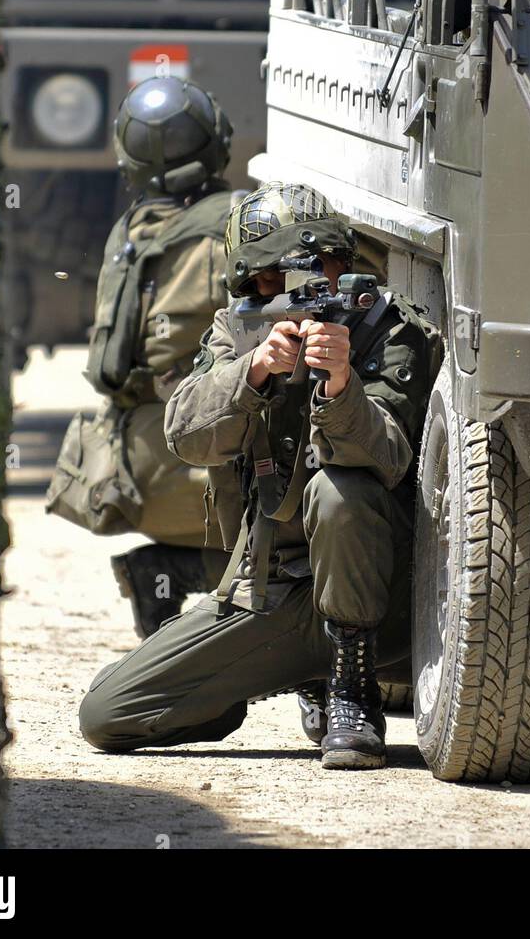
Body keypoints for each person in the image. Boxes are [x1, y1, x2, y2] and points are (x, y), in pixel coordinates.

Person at [78, 182, 443, 769]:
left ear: (342, 264)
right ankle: (283, 675)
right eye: (274, 279)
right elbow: (187, 435)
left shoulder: (388, 328)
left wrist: (343, 383)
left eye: (314, 270)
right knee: (108, 714)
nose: (297, 291)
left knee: (339, 491)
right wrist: (254, 372)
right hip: (276, 590)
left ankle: (352, 691)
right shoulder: (240, 330)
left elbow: (390, 456)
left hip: (391, 599)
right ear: (249, 283)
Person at [46, 74, 235, 637]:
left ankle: (160, 571)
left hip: (133, 481)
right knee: (322, 540)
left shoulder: (125, 239)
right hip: (213, 481)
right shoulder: (240, 228)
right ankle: (180, 571)